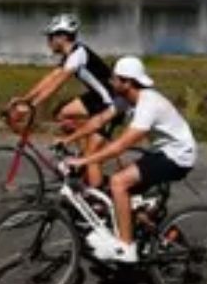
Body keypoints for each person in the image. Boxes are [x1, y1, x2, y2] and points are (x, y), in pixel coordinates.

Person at [69, 56, 196, 264]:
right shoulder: (127, 99)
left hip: (178, 157)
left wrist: (84, 161)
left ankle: (126, 247)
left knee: (119, 182)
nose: (110, 81)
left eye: (115, 78)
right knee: (124, 197)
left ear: (127, 83)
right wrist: (68, 139)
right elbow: (99, 120)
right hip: (162, 152)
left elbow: (120, 146)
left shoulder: (148, 104)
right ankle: (168, 237)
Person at [14, 13, 126, 188]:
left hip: (112, 104)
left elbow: (57, 84)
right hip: (98, 99)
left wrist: (32, 106)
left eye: (51, 36)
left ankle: (96, 199)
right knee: (61, 112)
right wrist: (26, 98)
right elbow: (51, 77)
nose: (48, 41)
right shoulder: (71, 54)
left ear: (63, 37)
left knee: (90, 157)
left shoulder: (78, 55)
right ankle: (83, 151)